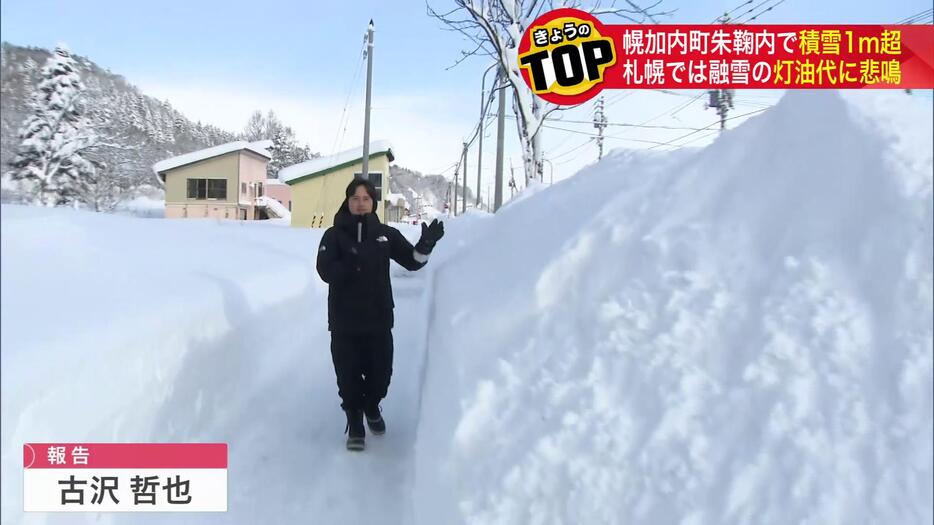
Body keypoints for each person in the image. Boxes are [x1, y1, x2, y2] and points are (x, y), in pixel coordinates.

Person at [316, 178, 444, 451]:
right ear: (347, 202)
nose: (360, 203)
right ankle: (355, 422)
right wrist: (351, 264)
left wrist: (425, 246)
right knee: (348, 376)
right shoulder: (333, 235)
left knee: (380, 375)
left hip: (378, 319)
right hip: (344, 321)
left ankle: (372, 406)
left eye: (365, 198)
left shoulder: (385, 234)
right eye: (354, 198)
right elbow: (325, 270)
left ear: (373, 203)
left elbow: (411, 261)